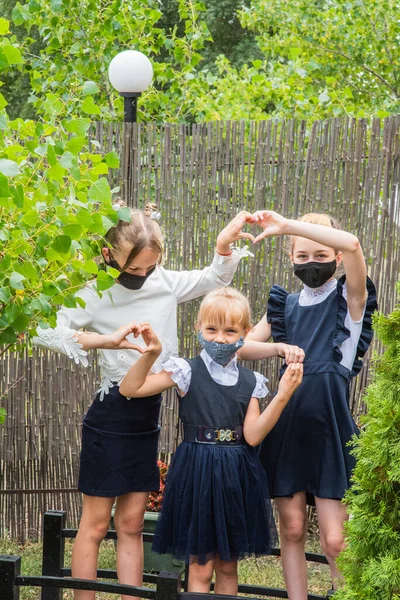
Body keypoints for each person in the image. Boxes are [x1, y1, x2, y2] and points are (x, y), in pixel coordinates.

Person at [33, 204, 258, 600]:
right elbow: (46, 331)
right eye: (133, 269)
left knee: (133, 522)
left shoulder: (166, 282)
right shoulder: (95, 292)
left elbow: (215, 277)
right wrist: (108, 340)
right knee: (97, 523)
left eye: (149, 268)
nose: (141, 276)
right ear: (108, 255)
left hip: (147, 420)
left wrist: (224, 243)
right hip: (110, 417)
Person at [119, 287, 303, 596]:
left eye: (230, 331)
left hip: (236, 475)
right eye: (211, 329)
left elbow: (253, 435)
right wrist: (151, 353)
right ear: (199, 329)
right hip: (198, 472)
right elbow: (130, 388)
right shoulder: (186, 370)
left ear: (246, 333)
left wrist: (283, 395)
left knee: (228, 566)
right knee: (200, 565)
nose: (219, 338)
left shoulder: (251, 382)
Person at [240, 210, 377, 599]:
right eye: (302, 257)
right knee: (293, 528)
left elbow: (352, 243)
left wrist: (287, 226)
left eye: (321, 254)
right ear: (290, 258)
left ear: (335, 257)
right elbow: (243, 346)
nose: (312, 263)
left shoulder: (349, 299)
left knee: (337, 540)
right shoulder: (286, 306)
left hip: (330, 430)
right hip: (288, 427)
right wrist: (279, 346)